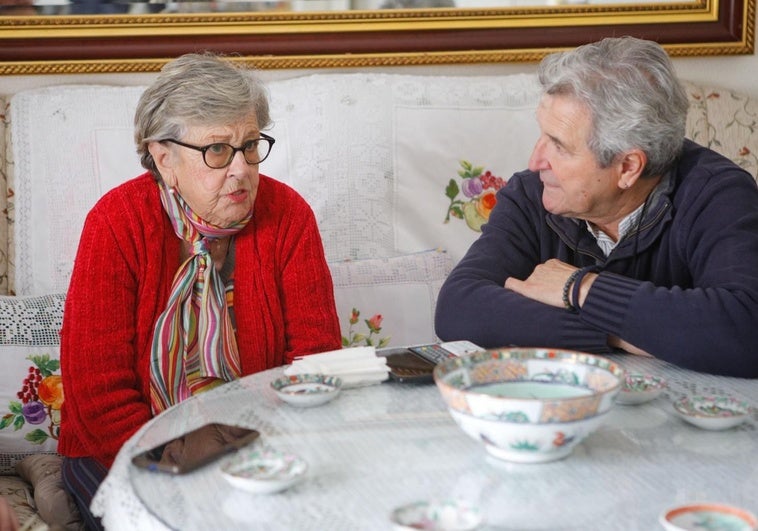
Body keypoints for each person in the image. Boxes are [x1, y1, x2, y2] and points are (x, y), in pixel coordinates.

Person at [58, 52, 342, 529]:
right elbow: (99, 395)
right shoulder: (115, 224)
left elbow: (314, 363)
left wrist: (261, 455)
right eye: (217, 150)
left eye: (250, 145)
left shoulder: (289, 216)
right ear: (164, 157)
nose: (241, 169)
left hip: (257, 445)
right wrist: (178, 462)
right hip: (123, 451)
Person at [435, 36, 758, 379]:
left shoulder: (718, 194)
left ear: (628, 167)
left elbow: (745, 330)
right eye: (542, 135)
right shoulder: (531, 194)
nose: (535, 161)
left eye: (559, 147)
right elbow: (458, 309)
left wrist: (577, 288)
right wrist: (620, 331)